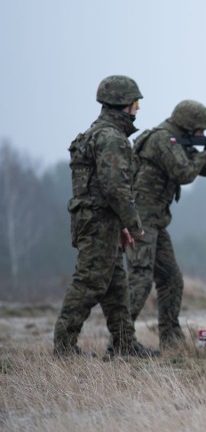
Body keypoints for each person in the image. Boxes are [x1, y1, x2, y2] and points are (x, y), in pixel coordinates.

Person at [54, 75, 158, 358]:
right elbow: (115, 187)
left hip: (101, 220)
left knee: (115, 287)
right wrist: (134, 224)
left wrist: (120, 226)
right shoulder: (111, 138)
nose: (137, 109)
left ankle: (125, 345)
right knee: (89, 283)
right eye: (135, 103)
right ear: (123, 104)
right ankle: (63, 349)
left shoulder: (97, 133)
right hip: (98, 221)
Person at [126, 100, 206, 351]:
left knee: (171, 279)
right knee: (140, 278)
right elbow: (185, 172)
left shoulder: (174, 141)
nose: (202, 136)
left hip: (155, 221)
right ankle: (120, 340)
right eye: (200, 131)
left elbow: (202, 169)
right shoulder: (163, 139)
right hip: (142, 220)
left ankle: (171, 339)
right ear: (188, 125)